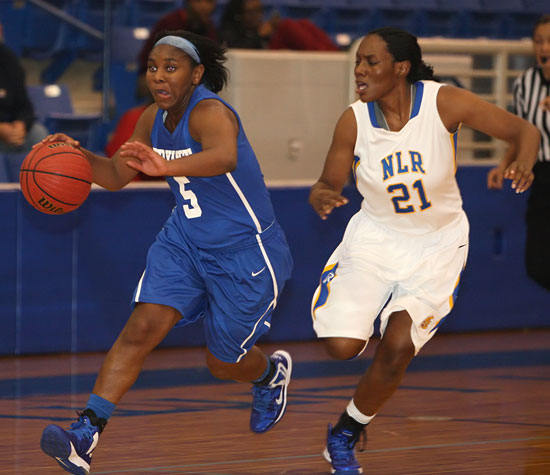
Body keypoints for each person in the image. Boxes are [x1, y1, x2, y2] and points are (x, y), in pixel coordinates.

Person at [39, 30, 293, 475]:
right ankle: (85, 434)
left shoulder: (210, 111)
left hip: (245, 253)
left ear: (196, 74)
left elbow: (224, 156)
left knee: (222, 362)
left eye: (170, 67)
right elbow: (117, 175)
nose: (159, 76)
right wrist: (77, 157)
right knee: (140, 328)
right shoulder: (148, 118)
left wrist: (166, 166)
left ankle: (268, 375)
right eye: (153, 67)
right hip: (185, 242)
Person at [308, 27, 540, 474]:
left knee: (397, 348)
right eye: (357, 60)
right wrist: (322, 195)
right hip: (376, 239)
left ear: (401, 68)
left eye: (370, 61)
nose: (359, 69)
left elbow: (521, 129)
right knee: (341, 346)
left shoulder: (442, 102)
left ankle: (345, 433)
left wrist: (523, 161)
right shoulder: (354, 120)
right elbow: (327, 182)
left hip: (438, 244)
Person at [488, 14, 550, 291]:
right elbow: (521, 133)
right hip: (541, 175)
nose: (544, 48)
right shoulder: (526, 83)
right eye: (539, 41)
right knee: (537, 264)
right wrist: (503, 165)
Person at [136, 0, 218, 100]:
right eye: (198, 1)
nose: (203, 6)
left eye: (209, 2)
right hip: (166, 73)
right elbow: (147, 60)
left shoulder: (210, 28)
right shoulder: (169, 22)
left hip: (196, 80)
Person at [0, 21, 47, 179]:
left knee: (38, 134)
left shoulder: (8, 59)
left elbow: (25, 105)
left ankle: (43, 190)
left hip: (12, 131)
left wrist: (21, 124)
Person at [219, 0, 339, 51]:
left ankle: (334, 51)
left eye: (259, 10)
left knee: (304, 23)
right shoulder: (229, 30)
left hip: (273, 51)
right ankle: (328, 53)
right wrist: (259, 35)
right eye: (252, 12)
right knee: (287, 26)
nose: (258, 16)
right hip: (263, 57)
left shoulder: (258, 27)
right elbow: (237, 51)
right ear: (239, 14)